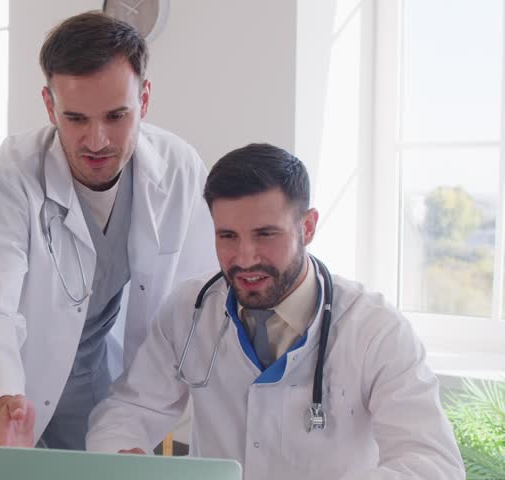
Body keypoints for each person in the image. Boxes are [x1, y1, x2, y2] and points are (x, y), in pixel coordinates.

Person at [0, 12, 217, 452]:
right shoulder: (4, 185)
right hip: (5, 390)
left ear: (145, 99)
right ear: (48, 104)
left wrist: (151, 416)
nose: (96, 140)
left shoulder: (178, 171)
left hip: (100, 387)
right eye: (76, 118)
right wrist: (0, 399)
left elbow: (197, 307)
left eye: (116, 116)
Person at [85, 143, 465, 478]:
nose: (244, 258)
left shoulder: (375, 330)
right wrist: (122, 456)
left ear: (308, 227)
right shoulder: (190, 309)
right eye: (227, 236)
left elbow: (433, 464)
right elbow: (129, 408)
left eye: (266, 234)